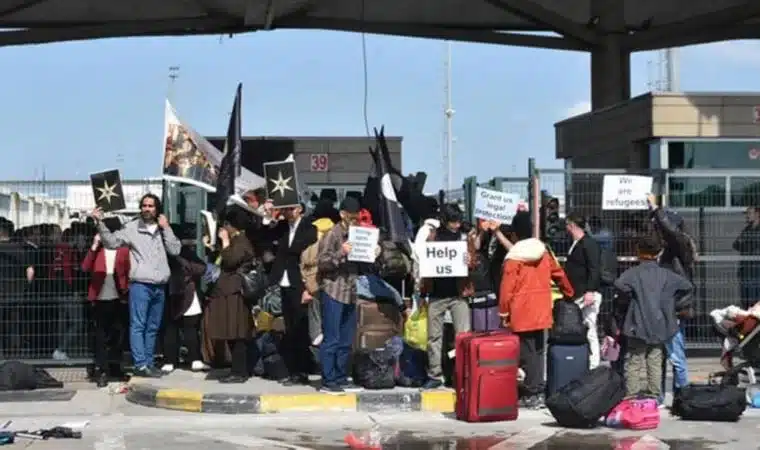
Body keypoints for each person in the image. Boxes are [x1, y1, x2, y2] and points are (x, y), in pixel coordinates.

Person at [92, 193, 181, 378]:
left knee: (153, 326)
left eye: (151, 206)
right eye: (144, 205)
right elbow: (111, 242)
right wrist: (100, 222)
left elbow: (175, 249)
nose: (147, 209)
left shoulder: (161, 228)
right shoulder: (132, 228)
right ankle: (140, 364)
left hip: (160, 284)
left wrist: (167, 228)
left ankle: (149, 362)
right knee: (138, 325)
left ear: (157, 209)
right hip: (141, 283)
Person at [499, 211, 574, 408]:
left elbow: (507, 288)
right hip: (541, 309)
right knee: (538, 351)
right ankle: (537, 389)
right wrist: (569, 292)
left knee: (526, 353)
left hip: (521, 311)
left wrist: (504, 312)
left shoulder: (513, 258)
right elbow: (559, 273)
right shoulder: (543, 251)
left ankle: (532, 392)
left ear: (514, 234)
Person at [610, 235, 694, 398]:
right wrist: (672, 304)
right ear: (659, 252)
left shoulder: (633, 274)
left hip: (637, 323)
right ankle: (654, 396)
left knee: (634, 361)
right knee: (654, 361)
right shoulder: (667, 275)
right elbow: (687, 286)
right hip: (660, 323)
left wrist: (630, 296)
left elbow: (619, 285)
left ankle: (631, 395)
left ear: (638, 252)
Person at [421, 203, 475, 390]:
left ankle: (462, 373)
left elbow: (474, 262)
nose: (457, 225)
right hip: (437, 294)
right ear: (445, 220)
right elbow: (424, 264)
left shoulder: (463, 238)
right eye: (453, 221)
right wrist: (422, 292)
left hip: (458, 294)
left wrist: (469, 261)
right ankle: (435, 374)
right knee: (434, 336)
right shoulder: (433, 237)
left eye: (458, 221)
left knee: (463, 336)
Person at [647, 193, 696, 400]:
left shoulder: (679, 245)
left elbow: (671, 232)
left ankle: (682, 394)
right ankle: (664, 395)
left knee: (675, 353)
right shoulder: (669, 251)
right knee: (664, 352)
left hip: (674, 307)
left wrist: (656, 209)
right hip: (666, 306)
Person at [317, 197, 364, 394]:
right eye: (352, 217)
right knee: (332, 337)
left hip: (351, 291)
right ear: (343, 215)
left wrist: (373, 253)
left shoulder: (357, 234)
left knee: (346, 339)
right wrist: (341, 253)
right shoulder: (332, 235)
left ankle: (341, 376)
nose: (354, 221)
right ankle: (328, 380)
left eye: (357, 218)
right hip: (334, 290)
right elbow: (322, 262)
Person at [203, 206, 256, 383]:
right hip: (227, 291)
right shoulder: (236, 241)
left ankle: (239, 372)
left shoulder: (242, 241)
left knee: (237, 332)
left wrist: (225, 242)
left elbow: (231, 260)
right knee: (231, 332)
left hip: (235, 292)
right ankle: (237, 370)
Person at [269, 203, 318, 386]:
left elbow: (299, 250)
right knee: (288, 327)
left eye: (291, 209)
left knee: (300, 328)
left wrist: (309, 289)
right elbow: (265, 238)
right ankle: (291, 369)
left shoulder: (309, 229)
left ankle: (302, 370)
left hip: (299, 282)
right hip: (283, 280)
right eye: (285, 208)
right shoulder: (282, 227)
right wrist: (270, 218)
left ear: (300, 210)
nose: (287, 212)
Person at [81, 218, 130, 387]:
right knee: (101, 335)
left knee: (118, 334)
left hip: (119, 295)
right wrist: (94, 246)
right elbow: (85, 267)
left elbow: (128, 269)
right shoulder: (98, 250)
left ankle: (115, 366)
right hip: (101, 296)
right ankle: (102, 369)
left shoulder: (122, 248)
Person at [161, 232, 210, 374]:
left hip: (177, 293)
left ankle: (178, 360)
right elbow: (201, 268)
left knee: (179, 328)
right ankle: (185, 359)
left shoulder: (171, 252)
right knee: (182, 328)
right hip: (180, 293)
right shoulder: (177, 253)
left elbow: (201, 268)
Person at [563, 212, 603, 369]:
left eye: (567, 225)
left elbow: (594, 268)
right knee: (583, 327)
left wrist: (590, 291)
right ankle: (585, 360)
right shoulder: (576, 243)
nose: (566, 229)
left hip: (586, 294)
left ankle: (594, 364)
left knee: (590, 328)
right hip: (577, 294)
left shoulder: (588, 244)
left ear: (572, 225)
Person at [733, 206, 760, 310]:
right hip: (745, 270)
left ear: (758, 214)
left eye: (749, 213)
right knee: (745, 302)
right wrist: (748, 245)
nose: (747, 216)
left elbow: (755, 247)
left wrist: (746, 245)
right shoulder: (747, 229)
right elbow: (735, 244)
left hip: (756, 271)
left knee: (755, 303)